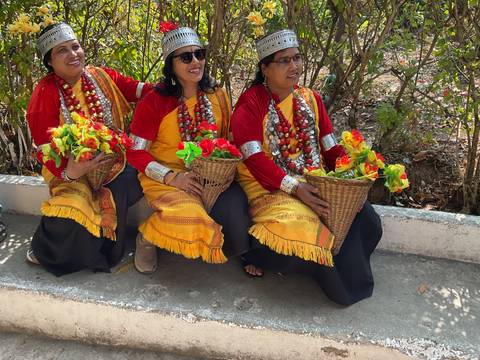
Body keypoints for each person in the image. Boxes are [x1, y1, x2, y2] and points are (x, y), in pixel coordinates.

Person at [231, 29, 383, 305]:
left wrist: (357, 169)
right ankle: (254, 254)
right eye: (284, 61)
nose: (295, 67)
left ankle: (322, 267)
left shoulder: (311, 99)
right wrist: (295, 188)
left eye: (297, 58)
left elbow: (329, 147)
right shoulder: (250, 105)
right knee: (298, 231)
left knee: (366, 218)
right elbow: (254, 159)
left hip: (315, 180)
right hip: (270, 187)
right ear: (265, 68)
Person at [26, 22, 153, 276]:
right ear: (49, 62)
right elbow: (44, 149)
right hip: (67, 169)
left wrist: (175, 87)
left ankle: (108, 248)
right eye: (62, 51)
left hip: (113, 161)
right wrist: (72, 172)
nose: (73, 54)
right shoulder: (44, 93)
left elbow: (139, 90)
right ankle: (49, 250)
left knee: (127, 181)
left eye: (75, 47)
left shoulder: (101, 76)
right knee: (72, 208)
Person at [127, 25, 253, 274]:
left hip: (211, 174)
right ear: (170, 65)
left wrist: (223, 166)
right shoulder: (155, 101)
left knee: (238, 211)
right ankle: (148, 237)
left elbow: (226, 137)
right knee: (190, 217)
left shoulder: (216, 94)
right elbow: (135, 152)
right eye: (186, 57)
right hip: (167, 175)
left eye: (200, 54)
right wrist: (173, 178)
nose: (196, 61)